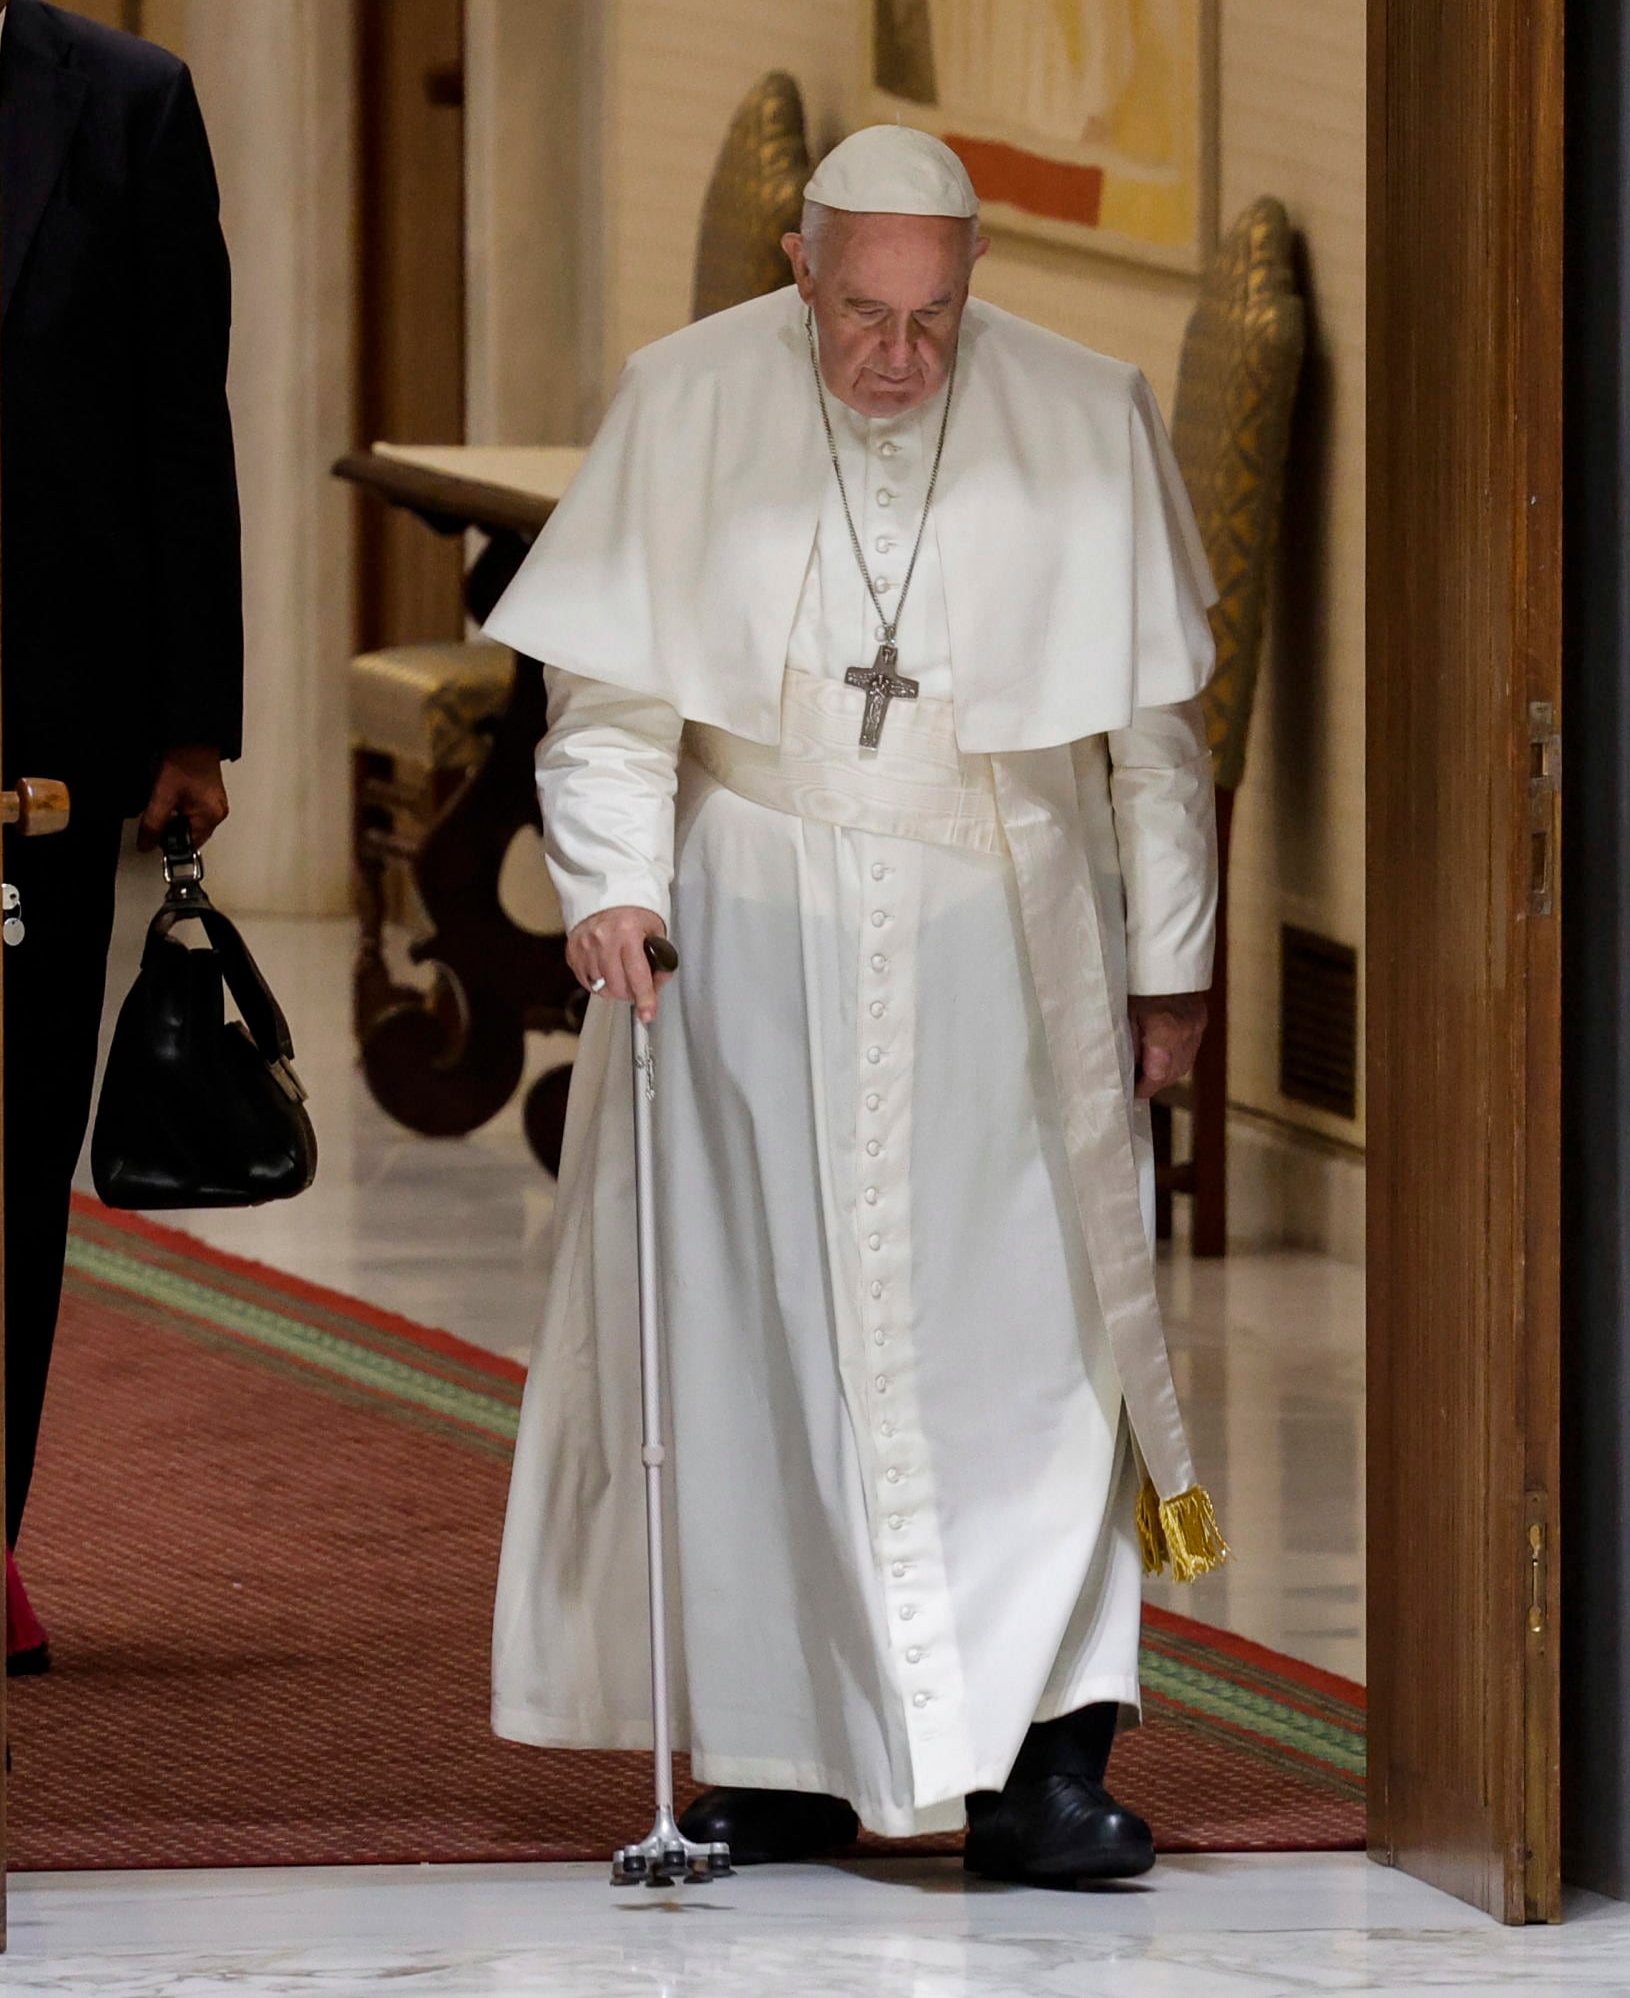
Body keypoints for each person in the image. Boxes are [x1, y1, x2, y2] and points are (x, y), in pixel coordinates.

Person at [484, 126, 1225, 1886]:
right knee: (760, 1339)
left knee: (1034, 1351)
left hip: (1004, 934)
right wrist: (614, 884)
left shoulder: (1086, 410)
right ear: (801, 271)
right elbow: (604, 700)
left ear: (975, 290)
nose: (898, 357)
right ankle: (779, 1758)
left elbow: (1155, 740)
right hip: (756, 922)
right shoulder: (684, 398)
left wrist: (1171, 969)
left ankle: (1046, 1767)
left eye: (936, 319)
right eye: (864, 313)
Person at [0, 0, 243, 1671]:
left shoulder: (126, 101)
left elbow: (183, 419)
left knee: (10, 1141)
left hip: (61, 741)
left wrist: (190, 723)